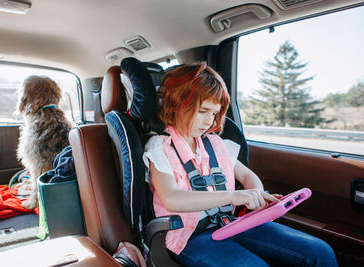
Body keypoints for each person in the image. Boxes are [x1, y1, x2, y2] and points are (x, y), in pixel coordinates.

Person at [142, 62, 338, 267]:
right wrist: (234, 196)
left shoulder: (215, 144)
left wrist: (256, 194)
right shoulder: (160, 148)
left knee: (319, 252)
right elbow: (172, 199)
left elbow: (246, 176)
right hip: (190, 237)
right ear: (177, 103)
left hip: (231, 223)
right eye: (203, 111)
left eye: (214, 113)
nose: (209, 121)